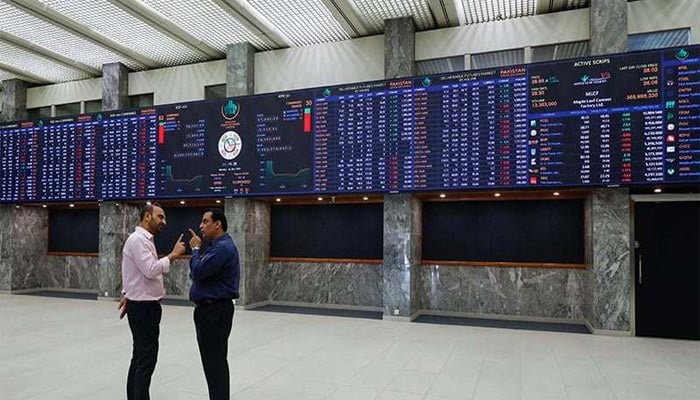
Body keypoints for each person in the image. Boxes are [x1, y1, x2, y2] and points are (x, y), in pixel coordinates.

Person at [119, 203, 186, 400]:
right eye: (160, 217)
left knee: (140, 356)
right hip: (144, 308)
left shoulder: (144, 240)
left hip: (142, 304)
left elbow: (131, 271)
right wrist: (173, 256)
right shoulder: (138, 240)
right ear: (147, 216)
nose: (163, 222)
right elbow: (149, 270)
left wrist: (127, 293)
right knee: (146, 359)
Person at [188, 208, 240, 400]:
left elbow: (198, 271)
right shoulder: (215, 246)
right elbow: (199, 271)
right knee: (213, 362)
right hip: (211, 310)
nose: (201, 226)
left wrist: (194, 250)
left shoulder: (222, 248)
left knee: (214, 363)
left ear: (217, 224)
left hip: (214, 312)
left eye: (205, 221)